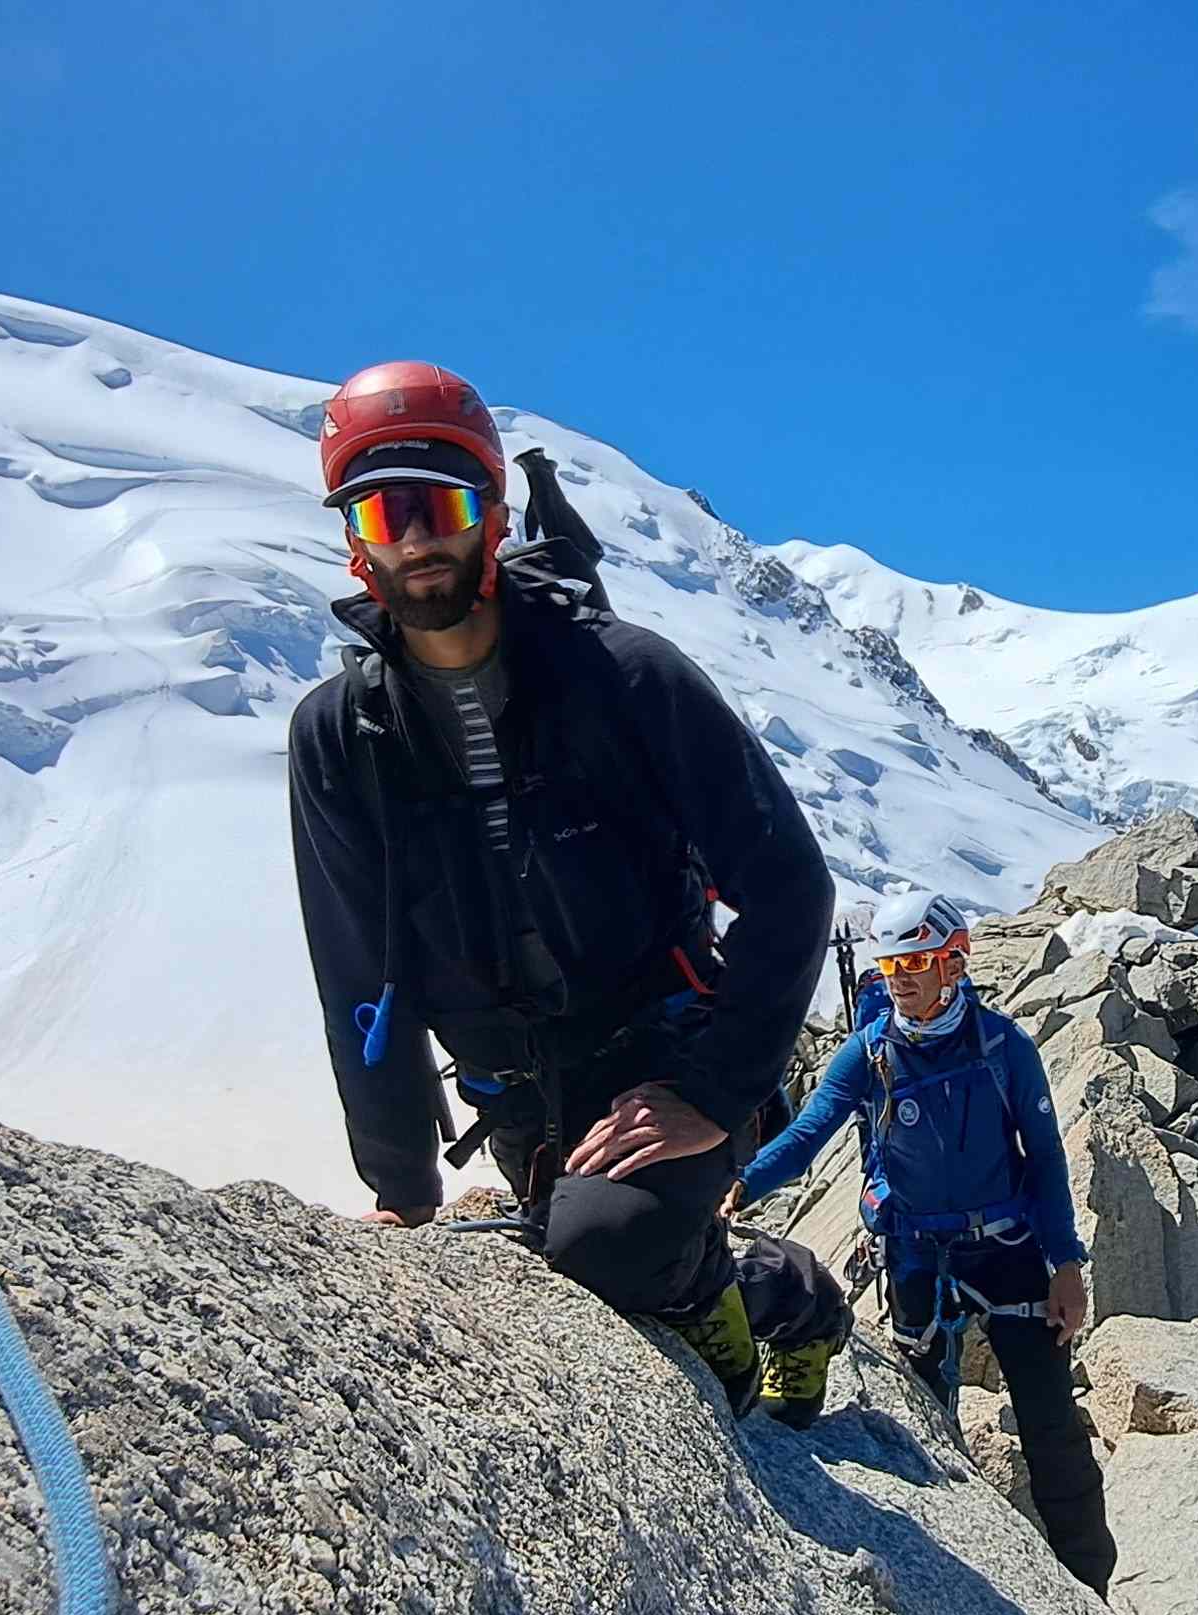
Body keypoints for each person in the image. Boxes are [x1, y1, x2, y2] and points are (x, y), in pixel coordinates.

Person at [287, 359, 851, 1425]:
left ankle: (785, 1303)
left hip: (665, 1055)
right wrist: (401, 1187)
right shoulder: (338, 734)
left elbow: (787, 887)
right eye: (381, 509)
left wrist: (710, 1092)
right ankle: (740, 1271)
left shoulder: (627, 677)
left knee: (598, 1247)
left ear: (490, 514)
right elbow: (358, 972)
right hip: (515, 1093)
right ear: (354, 537)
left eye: (440, 504)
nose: (415, 538)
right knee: (572, 1243)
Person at [726, 890, 1119, 1591]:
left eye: (917, 961)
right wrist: (742, 1185)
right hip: (917, 1257)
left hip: (1010, 1256)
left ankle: (1088, 1585)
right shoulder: (870, 1051)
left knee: (1051, 1424)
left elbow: (1047, 1158)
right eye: (892, 964)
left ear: (954, 962)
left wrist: (1067, 1263)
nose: (902, 977)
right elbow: (808, 1135)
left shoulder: (1004, 1047)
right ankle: (962, 1573)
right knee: (930, 1423)